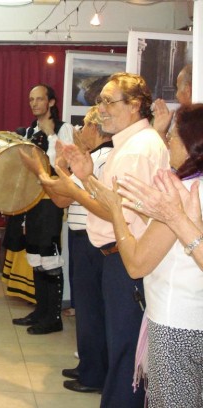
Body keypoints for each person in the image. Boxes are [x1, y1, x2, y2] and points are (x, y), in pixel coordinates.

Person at [53, 72, 169, 408]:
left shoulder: (137, 150)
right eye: (100, 101)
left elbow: (119, 213)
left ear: (134, 105)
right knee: (121, 347)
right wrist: (88, 177)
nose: (100, 109)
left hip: (125, 257)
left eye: (108, 101)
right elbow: (117, 204)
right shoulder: (130, 145)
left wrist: (79, 184)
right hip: (118, 255)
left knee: (125, 351)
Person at [89, 103, 203, 407]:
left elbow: (137, 263)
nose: (167, 143)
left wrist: (115, 209)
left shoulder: (184, 192)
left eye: (174, 137)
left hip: (176, 325)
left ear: (192, 144)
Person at [23, 106, 112, 393]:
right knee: (86, 308)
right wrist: (58, 167)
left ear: (96, 129)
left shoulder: (100, 157)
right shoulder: (94, 156)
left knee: (90, 308)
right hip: (82, 236)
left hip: (91, 239)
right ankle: (88, 365)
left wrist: (42, 170)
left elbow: (61, 198)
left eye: (84, 126)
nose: (79, 131)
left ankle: (93, 373)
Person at [10, 84, 74, 335]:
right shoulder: (29, 130)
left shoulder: (63, 128)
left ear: (51, 102)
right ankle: (40, 310)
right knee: (35, 253)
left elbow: (65, 163)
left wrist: (50, 136)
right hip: (32, 200)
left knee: (49, 254)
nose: (35, 103)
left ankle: (53, 317)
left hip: (52, 199)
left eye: (39, 99)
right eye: (31, 99)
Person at [152, 64, 192, 142]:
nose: (176, 95)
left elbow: (174, 154)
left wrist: (161, 133)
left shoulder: (192, 125)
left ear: (187, 90)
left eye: (178, 88)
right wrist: (161, 132)